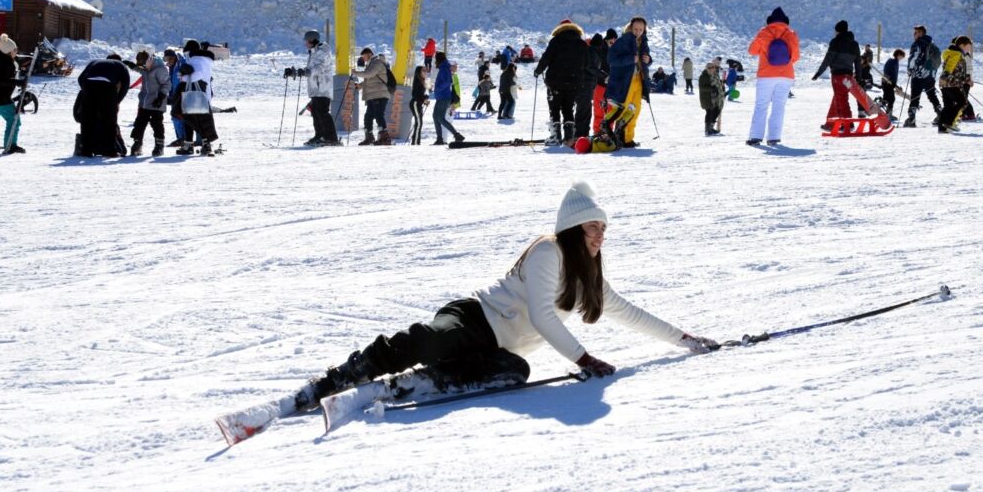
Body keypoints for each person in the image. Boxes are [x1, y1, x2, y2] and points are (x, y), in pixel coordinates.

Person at [283, 181, 719, 419]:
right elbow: (543, 316)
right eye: (593, 227)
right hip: (475, 319)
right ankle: (337, 379)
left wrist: (685, 339)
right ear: (573, 230)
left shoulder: (588, 277)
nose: (600, 235)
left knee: (514, 372)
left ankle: (401, 388)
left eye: (603, 228)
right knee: (431, 340)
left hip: (497, 347)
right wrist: (584, 359)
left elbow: (629, 312)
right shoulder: (549, 250)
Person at [746, 6, 800, 146]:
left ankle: (756, 137)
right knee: (779, 106)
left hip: (766, 74)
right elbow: (796, 57)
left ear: (770, 21)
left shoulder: (764, 32)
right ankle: (774, 137)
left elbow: (752, 51)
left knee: (761, 105)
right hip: (786, 75)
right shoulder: (791, 34)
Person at [534, 18, 589, 145]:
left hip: (555, 82)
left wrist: (538, 71)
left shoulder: (556, 41)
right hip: (574, 83)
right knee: (568, 109)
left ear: (559, 29)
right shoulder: (582, 44)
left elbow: (546, 58)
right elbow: (586, 63)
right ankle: (569, 138)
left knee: (554, 109)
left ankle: (555, 136)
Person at [602, 16, 652, 148]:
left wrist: (648, 60)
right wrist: (630, 59)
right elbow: (611, 59)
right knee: (624, 109)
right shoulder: (623, 41)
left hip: (639, 80)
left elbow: (645, 60)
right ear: (630, 27)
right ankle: (620, 137)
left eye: (641, 30)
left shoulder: (643, 42)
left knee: (635, 110)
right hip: (625, 81)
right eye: (636, 29)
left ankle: (628, 138)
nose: (638, 32)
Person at [75, 53, 131, 157]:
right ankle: (110, 150)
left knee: (88, 120)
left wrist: (86, 90)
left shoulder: (95, 62)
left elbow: (80, 78)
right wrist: (117, 100)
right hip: (107, 87)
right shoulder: (121, 65)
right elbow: (125, 85)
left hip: (88, 85)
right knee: (109, 120)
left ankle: (86, 150)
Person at [811, 19, 860, 131]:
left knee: (841, 99)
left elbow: (828, 59)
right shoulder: (854, 44)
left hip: (838, 76)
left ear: (838, 31)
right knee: (839, 97)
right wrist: (859, 77)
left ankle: (848, 124)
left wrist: (819, 72)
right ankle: (830, 124)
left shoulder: (836, 41)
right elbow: (858, 61)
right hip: (848, 76)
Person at [177, 39, 218, 155]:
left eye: (186, 53)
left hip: (195, 93)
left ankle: (189, 146)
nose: (186, 56)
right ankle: (206, 144)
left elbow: (197, 74)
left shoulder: (196, 59)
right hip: (204, 93)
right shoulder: (205, 60)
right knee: (203, 121)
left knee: (189, 119)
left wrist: (183, 78)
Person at [130, 50, 171, 156]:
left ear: (149, 60)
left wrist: (161, 97)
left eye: (144, 65)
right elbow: (142, 71)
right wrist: (132, 66)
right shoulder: (146, 68)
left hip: (156, 102)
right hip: (144, 102)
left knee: (156, 124)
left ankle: (159, 146)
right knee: (139, 123)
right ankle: (137, 144)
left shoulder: (160, 69)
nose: (143, 67)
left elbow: (167, 84)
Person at [904, 25, 942, 128]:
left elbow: (913, 58)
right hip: (930, 74)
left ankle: (911, 119)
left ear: (921, 33)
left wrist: (910, 69)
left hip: (919, 74)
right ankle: (941, 114)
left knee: (915, 96)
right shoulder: (931, 43)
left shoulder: (917, 44)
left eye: (916, 32)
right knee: (932, 94)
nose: (914, 34)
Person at [303, 29, 337, 146]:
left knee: (322, 113)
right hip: (315, 88)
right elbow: (311, 70)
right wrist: (297, 72)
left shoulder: (323, 51)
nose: (306, 43)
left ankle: (331, 138)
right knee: (316, 113)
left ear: (313, 40)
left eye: (307, 41)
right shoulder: (313, 52)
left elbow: (320, 67)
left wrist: (307, 72)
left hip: (323, 88)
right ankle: (319, 135)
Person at [356, 46, 392, 145]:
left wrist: (355, 73)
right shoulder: (371, 64)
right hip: (373, 94)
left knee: (378, 114)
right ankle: (369, 137)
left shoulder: (377, 62)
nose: (363, 59)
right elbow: (370, 79)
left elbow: (369, 74)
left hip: (380, 93)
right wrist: (360, 85)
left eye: (364, 56)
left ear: (369, 54)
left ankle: (384, 138)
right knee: (368, 116)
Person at [937, 36, 973, 133]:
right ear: (961, 45)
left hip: (945, 84)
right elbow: (949, 67)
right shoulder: (957, 54)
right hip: (951, 83)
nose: (969, 50)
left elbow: (957, 71)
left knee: (948, 105)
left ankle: (942, 127)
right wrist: (945, 77)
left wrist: (967, 79)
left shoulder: (951, 53)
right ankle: (950, 122)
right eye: (968, 47)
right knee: (962, 102)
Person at [432, 51, 464, 145]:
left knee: (440, 118)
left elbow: (447, 82)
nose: (434, 61)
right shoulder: (444, 67)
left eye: (435, 59)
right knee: (435, 116)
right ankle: (439, 138)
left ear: (438, 59)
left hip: (444, 96)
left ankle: (457, 135)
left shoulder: (444, 68)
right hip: (441, 96)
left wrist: (438, 88)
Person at [589, 32, 610, 134]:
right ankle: (599, 131)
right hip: (600, 84)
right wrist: (604, 75)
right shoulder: (597, 51)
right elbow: (592, 68)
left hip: (606, 85)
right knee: (600, 110)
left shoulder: (614, 51)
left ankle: (605, 131)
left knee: (607, 110)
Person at [698, 60, 725, 136]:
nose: (711, 69)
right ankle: (707, 130)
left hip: (715, 97)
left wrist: (721, 88)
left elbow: (718, 84)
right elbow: (702, 88)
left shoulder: (715, 75)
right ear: (706, 68)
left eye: (712, 67)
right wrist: (711, 88)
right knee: (709, 112)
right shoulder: (703, 77)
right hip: (707, 98)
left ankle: (711, 127)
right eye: (709, 68)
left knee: (716, 111)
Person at [880, 48, 905, 114]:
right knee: (891, 98)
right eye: (902, 56)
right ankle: (887, 111)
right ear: (898, 54)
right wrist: (889, 80)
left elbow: (894, 74)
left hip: (890, 83)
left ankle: (885, 109)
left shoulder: (896, 62)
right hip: (887, 82)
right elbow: (886, 71)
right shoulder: (892, 61)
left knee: (887, 97)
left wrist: (895, 84)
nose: (902, 58)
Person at [408, 64, 428, 144]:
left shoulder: (422, 81)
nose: (425, 72)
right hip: (415, 104)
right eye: (423, 70)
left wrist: (425, 98)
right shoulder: (418, 81)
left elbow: (420, 95)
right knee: (419, 123)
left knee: (419, 123)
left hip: (418, 104)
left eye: (426, 70)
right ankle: (415, 142)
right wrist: (423, 100)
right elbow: (415, 95)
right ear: (419, 72)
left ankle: (416, 141)